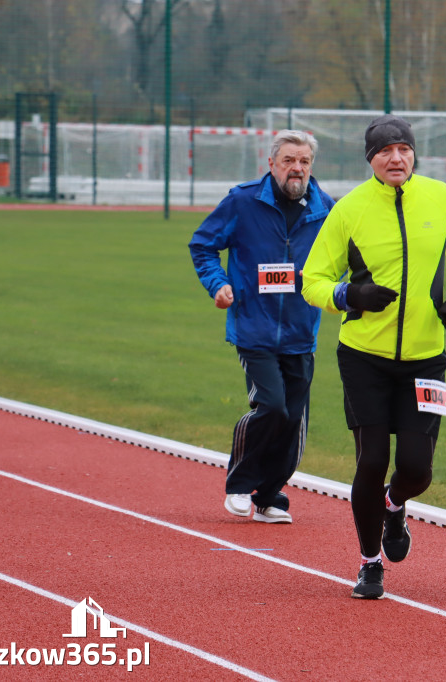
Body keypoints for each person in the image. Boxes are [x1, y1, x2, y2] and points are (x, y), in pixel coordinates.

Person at [302, 114, 446, 599]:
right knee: (371, 460)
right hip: (364, 358)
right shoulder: (349, 210)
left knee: (418, 468)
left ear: (414, 154)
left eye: (404, 149)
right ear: (371, 160)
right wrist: (349, 297)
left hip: (426, 359)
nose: (396, 158)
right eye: (385, 151)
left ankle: (395, 505)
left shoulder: (441, 198)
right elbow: (311, 280)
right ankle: (369, 562)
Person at [189, 129, 334, 525]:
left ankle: (270, 495)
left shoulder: (326, 208)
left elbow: (346, 259)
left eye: (304, 162)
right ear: (271, 164)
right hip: (254, 326)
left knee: (293, 420)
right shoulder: (243, 201)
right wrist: (217, 284)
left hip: (302, 331)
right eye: (289, 160)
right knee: (271, 406)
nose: (297, 168)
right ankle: (240, 482)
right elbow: (202, 244)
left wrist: (332, 282)